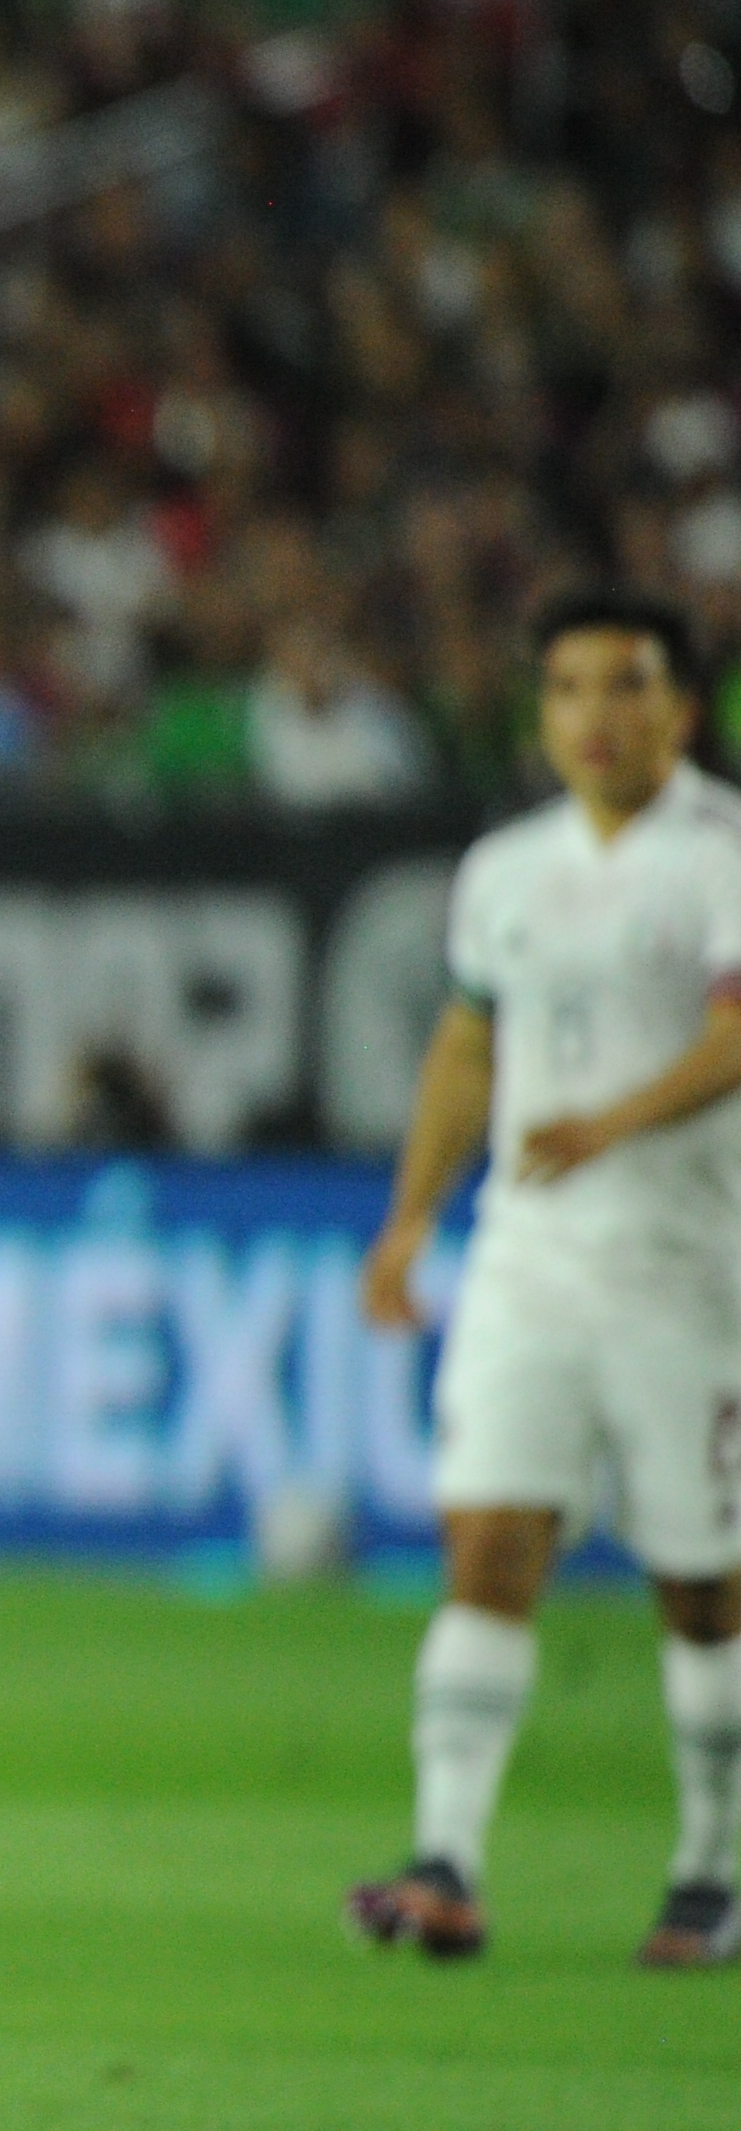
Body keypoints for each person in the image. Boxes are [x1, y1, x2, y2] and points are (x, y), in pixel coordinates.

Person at [347, 588, 741, 1971]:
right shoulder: (503, 868)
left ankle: (711, 1864)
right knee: (487, 1546)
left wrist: (610, 1122)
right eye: (570, 687)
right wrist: (407, 1223)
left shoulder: (722, 856)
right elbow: (466, 1049)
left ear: (681, 710)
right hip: (525, 1265)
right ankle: (446, 1858)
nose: (596, 714)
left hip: (691, 1273)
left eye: (626, 685)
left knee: (702, 1586)